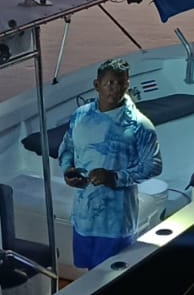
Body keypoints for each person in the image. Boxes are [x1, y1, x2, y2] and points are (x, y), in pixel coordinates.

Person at [59, 57, 163, 270]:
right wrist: (67, 169)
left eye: (121, 83)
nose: (115, 89)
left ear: (128, 84)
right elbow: (67, 146)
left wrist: (114, 177)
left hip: (116, 222)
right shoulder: (80, 115)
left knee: (110, 278)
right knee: (89, 275)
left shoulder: (140, 125)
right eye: (109, 83)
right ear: (97, 85)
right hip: (83, 216)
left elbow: (153, 165)